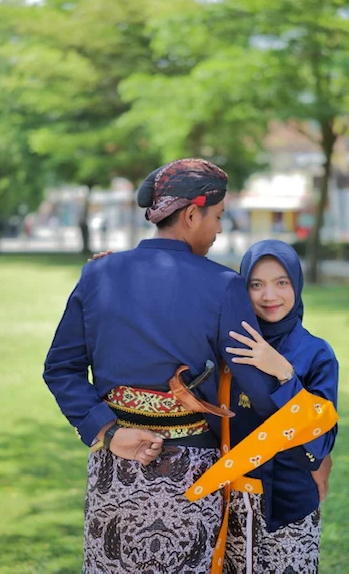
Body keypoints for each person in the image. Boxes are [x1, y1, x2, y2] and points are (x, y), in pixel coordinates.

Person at [43, 159, 292, 574]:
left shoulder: (99, 273)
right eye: (218, 216)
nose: (219, 229)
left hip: (114, 467)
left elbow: (60, 369)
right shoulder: (224, 285)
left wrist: (108, 432)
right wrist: (291, 382)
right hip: (192, 476)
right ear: (192, 215)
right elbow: (256, 390)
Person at [222, 239, 339, 574]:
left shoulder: (316, 353)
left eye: (281, 282)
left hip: (288, 508)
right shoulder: (230, 344)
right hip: (226, 501)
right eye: (256, 284)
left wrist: (284, 373)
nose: (269, 296)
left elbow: (320, 440)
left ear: (296, 285)